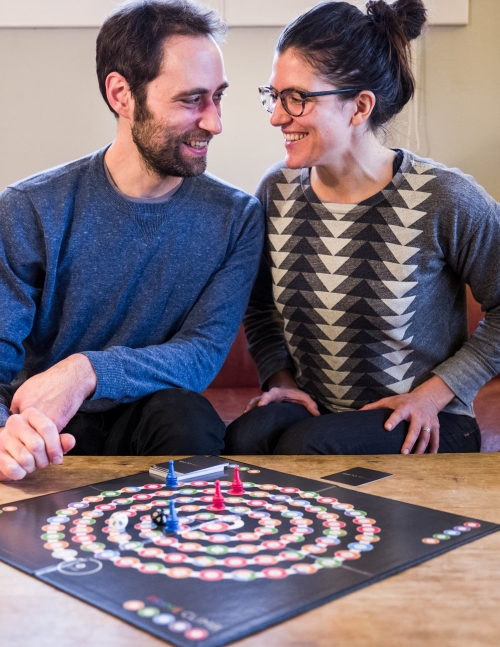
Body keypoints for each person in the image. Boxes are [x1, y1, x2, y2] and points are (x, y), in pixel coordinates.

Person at [0, 0, 264, 481]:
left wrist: (86, 371)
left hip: (155, 419)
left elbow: (202, 353)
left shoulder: (237, 218)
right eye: (191, 100)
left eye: (218, 98)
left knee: (188, 415)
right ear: (122, 95)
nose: (214, 122)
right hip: (50, 427)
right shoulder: (30, 208)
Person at [224, 0, 500, 456]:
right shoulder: (277, 190)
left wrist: (432, 395)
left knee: (306, 447)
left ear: (359, 107)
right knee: (243, 437)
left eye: (297, 98)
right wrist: (281, 380)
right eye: (272, 96)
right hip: (318, 413)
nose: (276, 116)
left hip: (426, 423)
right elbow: (257, 307)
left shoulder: (444, 198)